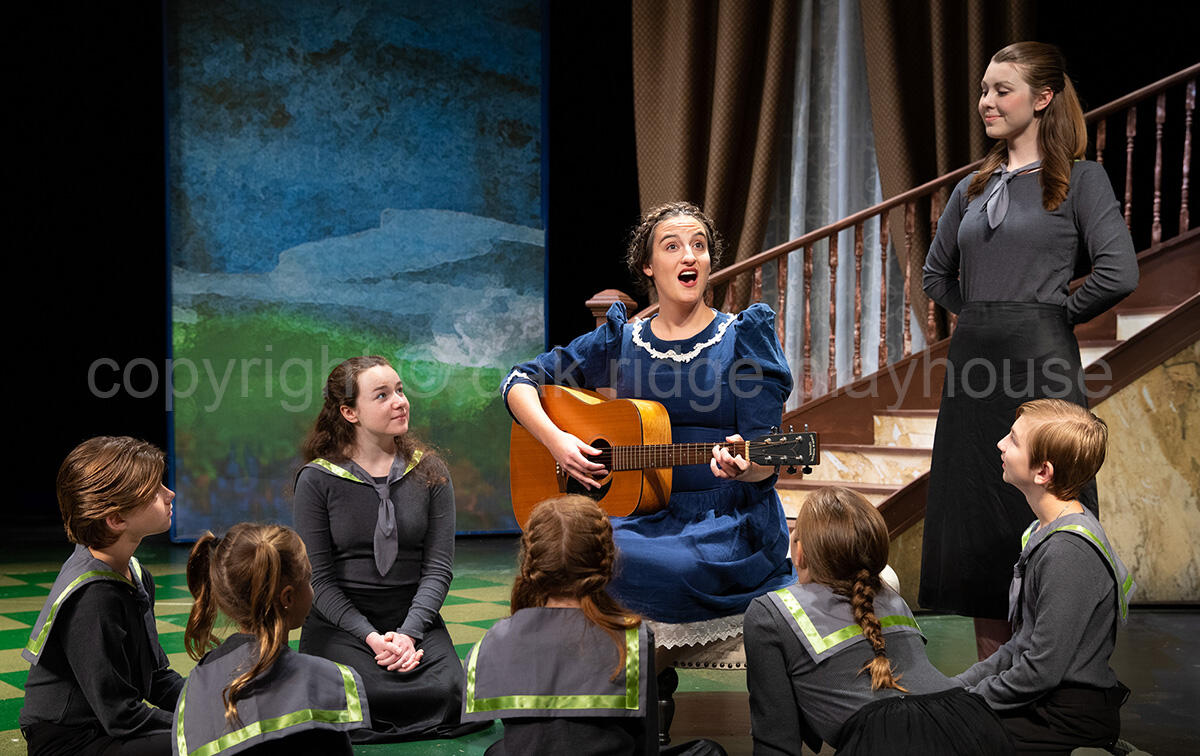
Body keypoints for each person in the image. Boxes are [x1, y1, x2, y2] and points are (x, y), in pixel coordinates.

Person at [920, 41, 1138, 658]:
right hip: (974, 366)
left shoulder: (1081, 180)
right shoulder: (972, 187)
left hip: (1040, 359)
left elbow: (1118, 272)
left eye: (1002, 90)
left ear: (1042, 98)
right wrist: (982, 314)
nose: (986, 102)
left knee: (1049, 498)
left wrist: (1047, 313)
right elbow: (936, 274)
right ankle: (994, 684)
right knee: (978, 511)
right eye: (983, 90)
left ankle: (1050, 667)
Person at [501, 201, 795, 652]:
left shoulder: (744, 338)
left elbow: (764, 459)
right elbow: (519, 381)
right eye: (672, 246)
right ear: (648, 266)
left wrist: (745, 467)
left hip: (723, 520)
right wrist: (557, 441)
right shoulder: (621, 340)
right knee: (574, 554)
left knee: (671, 568)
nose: (689, 256)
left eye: (699, 245)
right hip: (637, 514)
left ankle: (641, 672)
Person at [744, 486, 1014, 755]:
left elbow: (776, 741)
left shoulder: (769, 613)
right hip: (974, 726)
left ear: (800, 552)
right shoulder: (889, 596)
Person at [292, 355, 472, 742]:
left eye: (400, 391)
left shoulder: (430, 471)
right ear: (350, 412)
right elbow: (319, 581)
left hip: (412, 618)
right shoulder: (317, 480)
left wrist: (408, 634)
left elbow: (438, 569)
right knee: (361, 695)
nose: (400, 402)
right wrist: (372, 638)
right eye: (382, 395)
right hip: (343, 623)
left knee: (451, 692)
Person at [461, 495, 724, 756]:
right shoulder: (632, 639)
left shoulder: (491, 643)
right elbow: (646, 746)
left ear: (530, 563)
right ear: (607, 561)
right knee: (709, 751)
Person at [956, 399, 1133, 753]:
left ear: (1043, 472)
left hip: (1065, 718)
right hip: (1044, 701)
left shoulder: (1068, 551)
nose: (1000, 444)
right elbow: (1021, 645)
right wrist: (954, 687)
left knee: (938, 735)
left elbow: (1041, 671)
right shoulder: (1044, 530)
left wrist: (965, 703)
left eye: (1013, 440)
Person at [20, 436, 185, 756]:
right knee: (203, 744)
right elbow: (122, 715)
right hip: (70, 742)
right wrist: (198, 724)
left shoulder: (134, 573)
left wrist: (210, 704)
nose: (170, 494)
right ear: (116, 519)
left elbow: (156, 678)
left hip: (107, 727)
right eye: (154, 490)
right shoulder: (93, 597)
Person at [174, 522, 369, 755]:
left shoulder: (193, 689)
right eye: (308, 579)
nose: (312, 589)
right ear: (288, 597)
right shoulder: (324, 682)